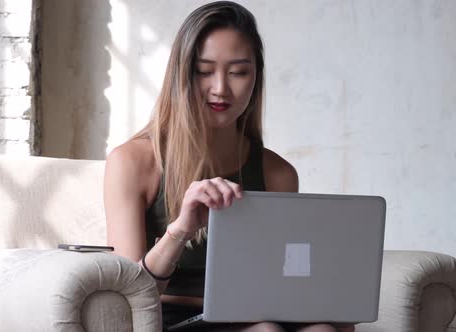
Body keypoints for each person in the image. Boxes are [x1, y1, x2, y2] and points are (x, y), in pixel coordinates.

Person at [104, 2, 355, 331]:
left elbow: (279, 282)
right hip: (172, 317)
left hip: (254, 315)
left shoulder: (277, 173)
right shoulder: (133, 161)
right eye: (204, 71)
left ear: (256, 78)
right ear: (181, 74)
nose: (221, 88)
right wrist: (180, 230)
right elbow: (129, 299)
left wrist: (320, 301)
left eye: (238, 72)